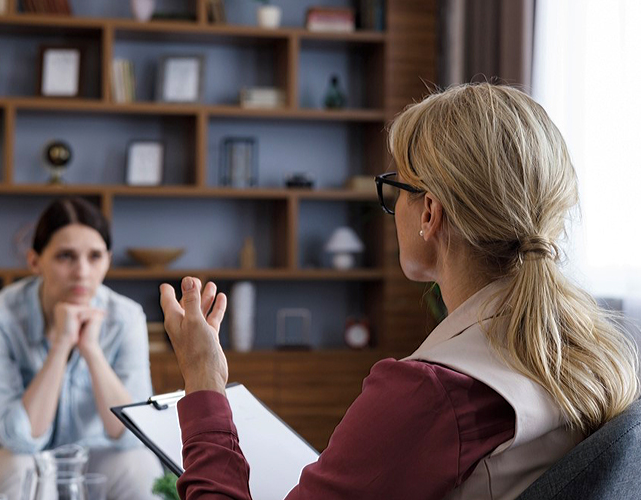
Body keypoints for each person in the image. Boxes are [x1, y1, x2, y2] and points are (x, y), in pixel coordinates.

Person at [158, 83, 640, 499]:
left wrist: (203, 381)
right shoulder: (592, 357)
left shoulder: (434, 396)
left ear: (429, 213)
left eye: (397, 187)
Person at [0, 197, 163, 499]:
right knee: (24, 469)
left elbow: (132, 436)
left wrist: (91, 349)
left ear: (108, 260)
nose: (82, 272)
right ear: (35, 261)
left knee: (141, 466)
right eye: (65, 256)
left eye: (95, 256)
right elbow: (22, 439)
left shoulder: (126, 317)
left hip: (84, 457)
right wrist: (61, 345)